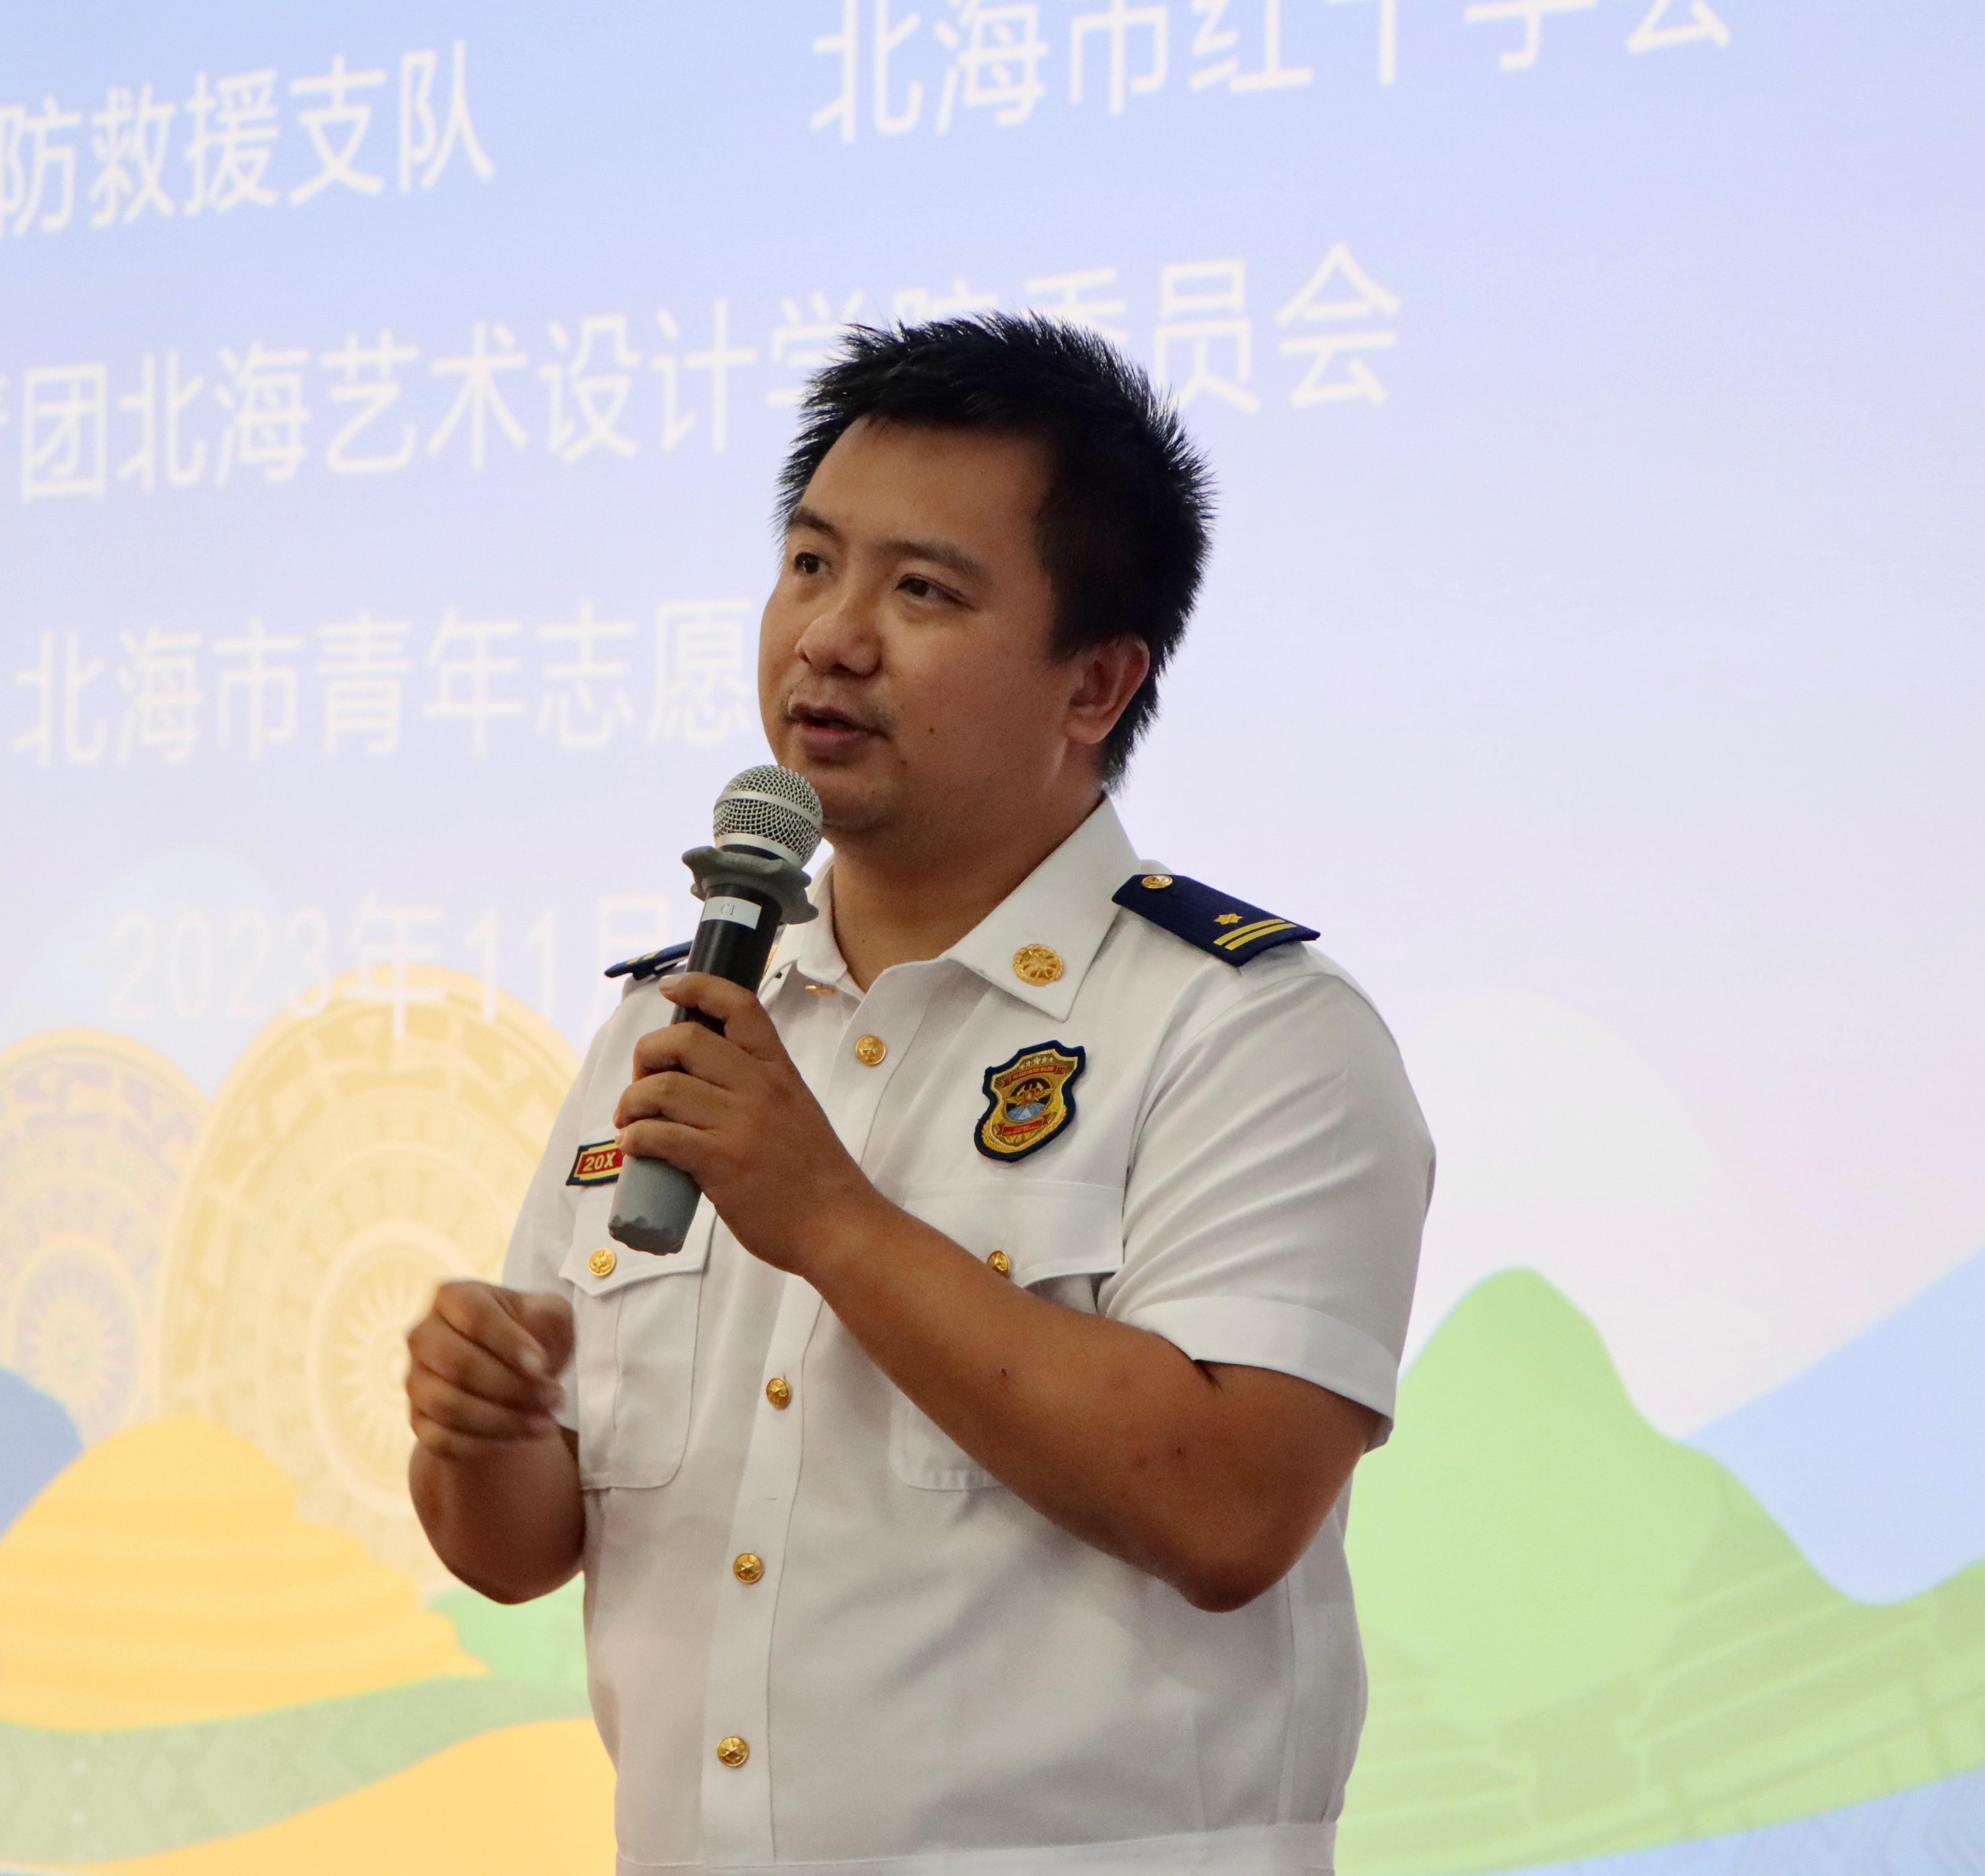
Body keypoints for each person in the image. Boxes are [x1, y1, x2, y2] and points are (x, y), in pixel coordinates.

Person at [407, 314, 1433, 1876]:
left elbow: (1231, 1512)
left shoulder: (1252, 1034)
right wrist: (479, 1433)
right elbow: (526, 1549)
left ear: (1096, 683)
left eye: (923, 592)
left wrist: (830, 1219)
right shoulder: (680, 1018)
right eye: (811, 564)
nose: (831, 637)